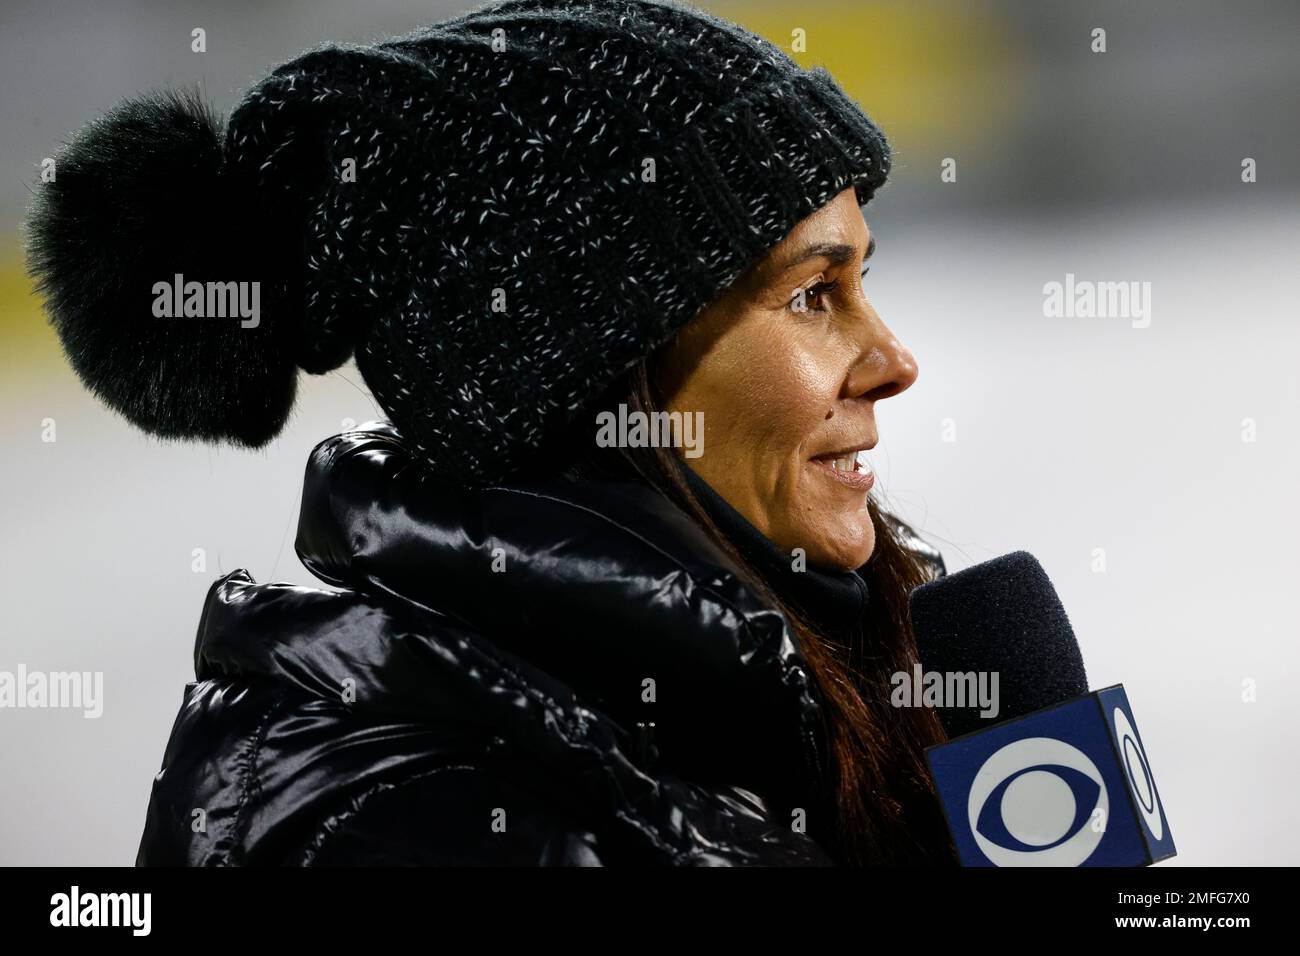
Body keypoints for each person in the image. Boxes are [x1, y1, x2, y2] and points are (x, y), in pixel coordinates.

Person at [27, 0, 955, 865]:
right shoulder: (416, 822)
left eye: (862, 280)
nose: (894, 360)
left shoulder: (787, 698)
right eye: (811, 294)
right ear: (586, 377)